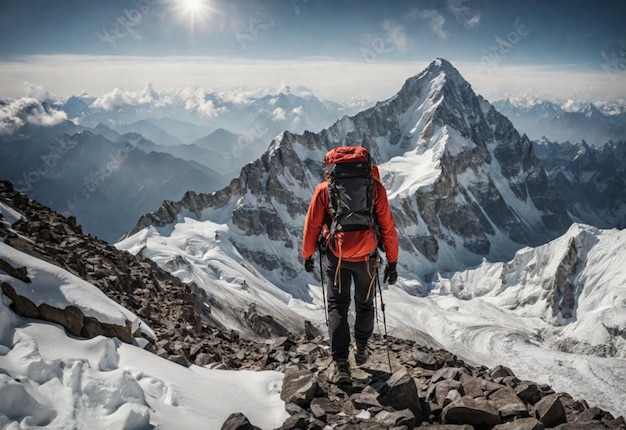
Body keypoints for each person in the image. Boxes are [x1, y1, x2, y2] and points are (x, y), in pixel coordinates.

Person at [302, 146, 399, 385]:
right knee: (365, 304)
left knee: (337, 307)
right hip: (367, 258)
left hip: (337, 257)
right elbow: (387, 227)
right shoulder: (375, 189)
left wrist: (307, 255)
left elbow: (312, 227)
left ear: (332, 168)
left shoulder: (324, 190)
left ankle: (341, 364)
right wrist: (392, 262)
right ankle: (362, 348)